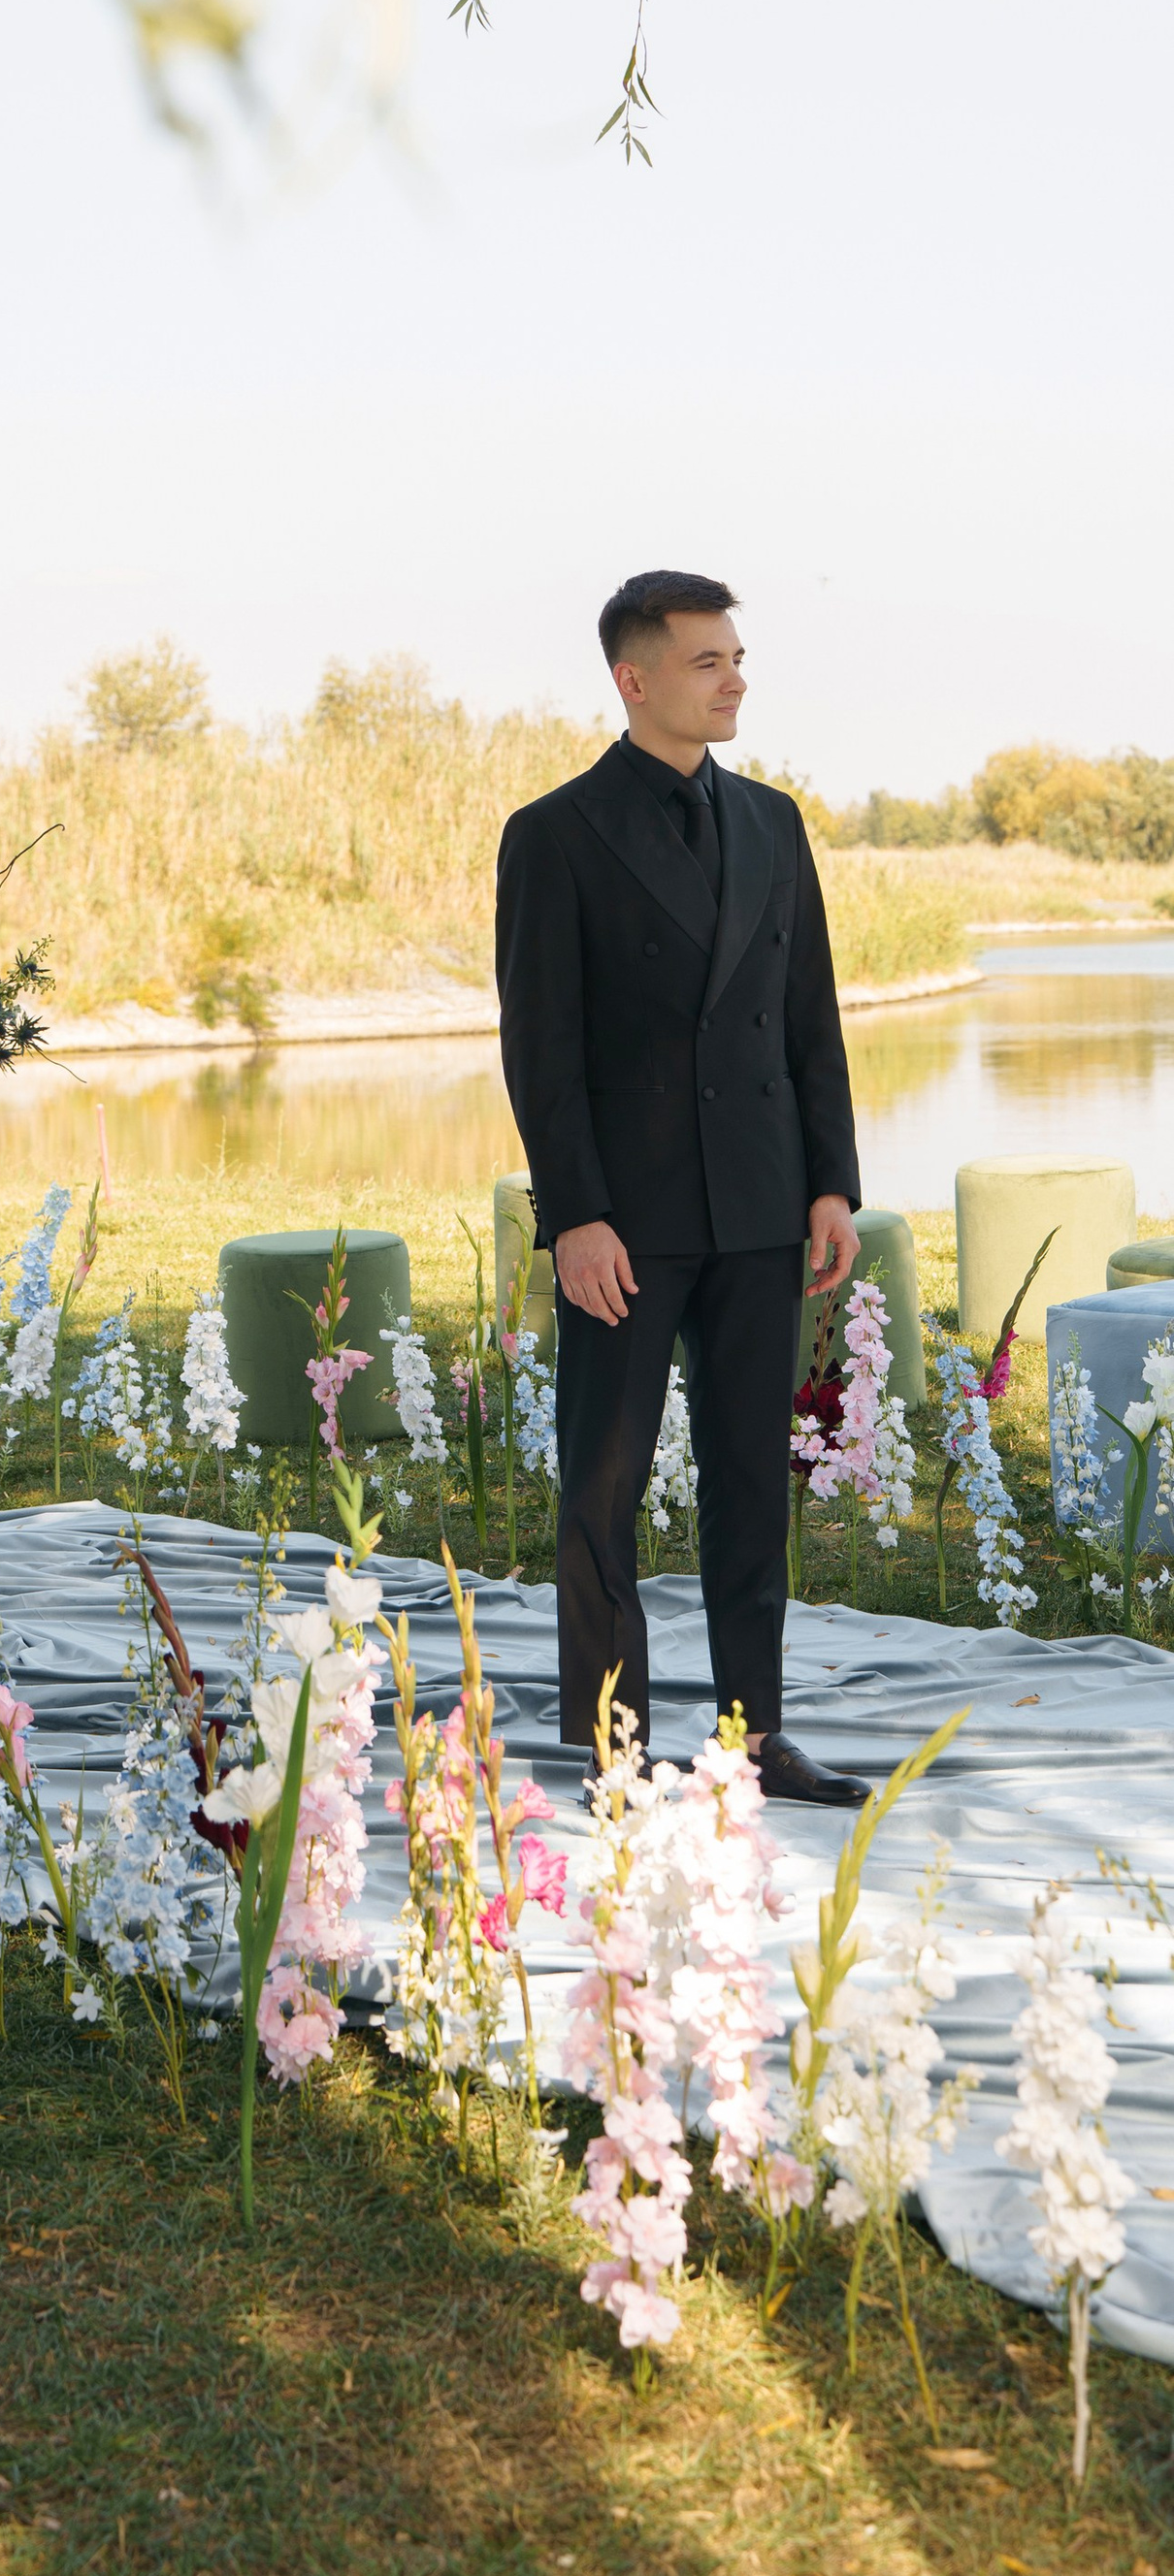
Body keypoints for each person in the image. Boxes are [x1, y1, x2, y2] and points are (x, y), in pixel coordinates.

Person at [494, 571, 869, 1807]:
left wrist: (830, 1184)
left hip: (764, 1205)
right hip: (630, 1219)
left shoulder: (775, 822)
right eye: (707, 661)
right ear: (633, 678)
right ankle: (612, 1750)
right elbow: (541, 1051)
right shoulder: (553, 835)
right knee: (602, 1485)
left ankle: (751, 1737)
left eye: (737, 656)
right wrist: (575, 1217)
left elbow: (809, 1021)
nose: (734, 678)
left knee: (749, 1481)